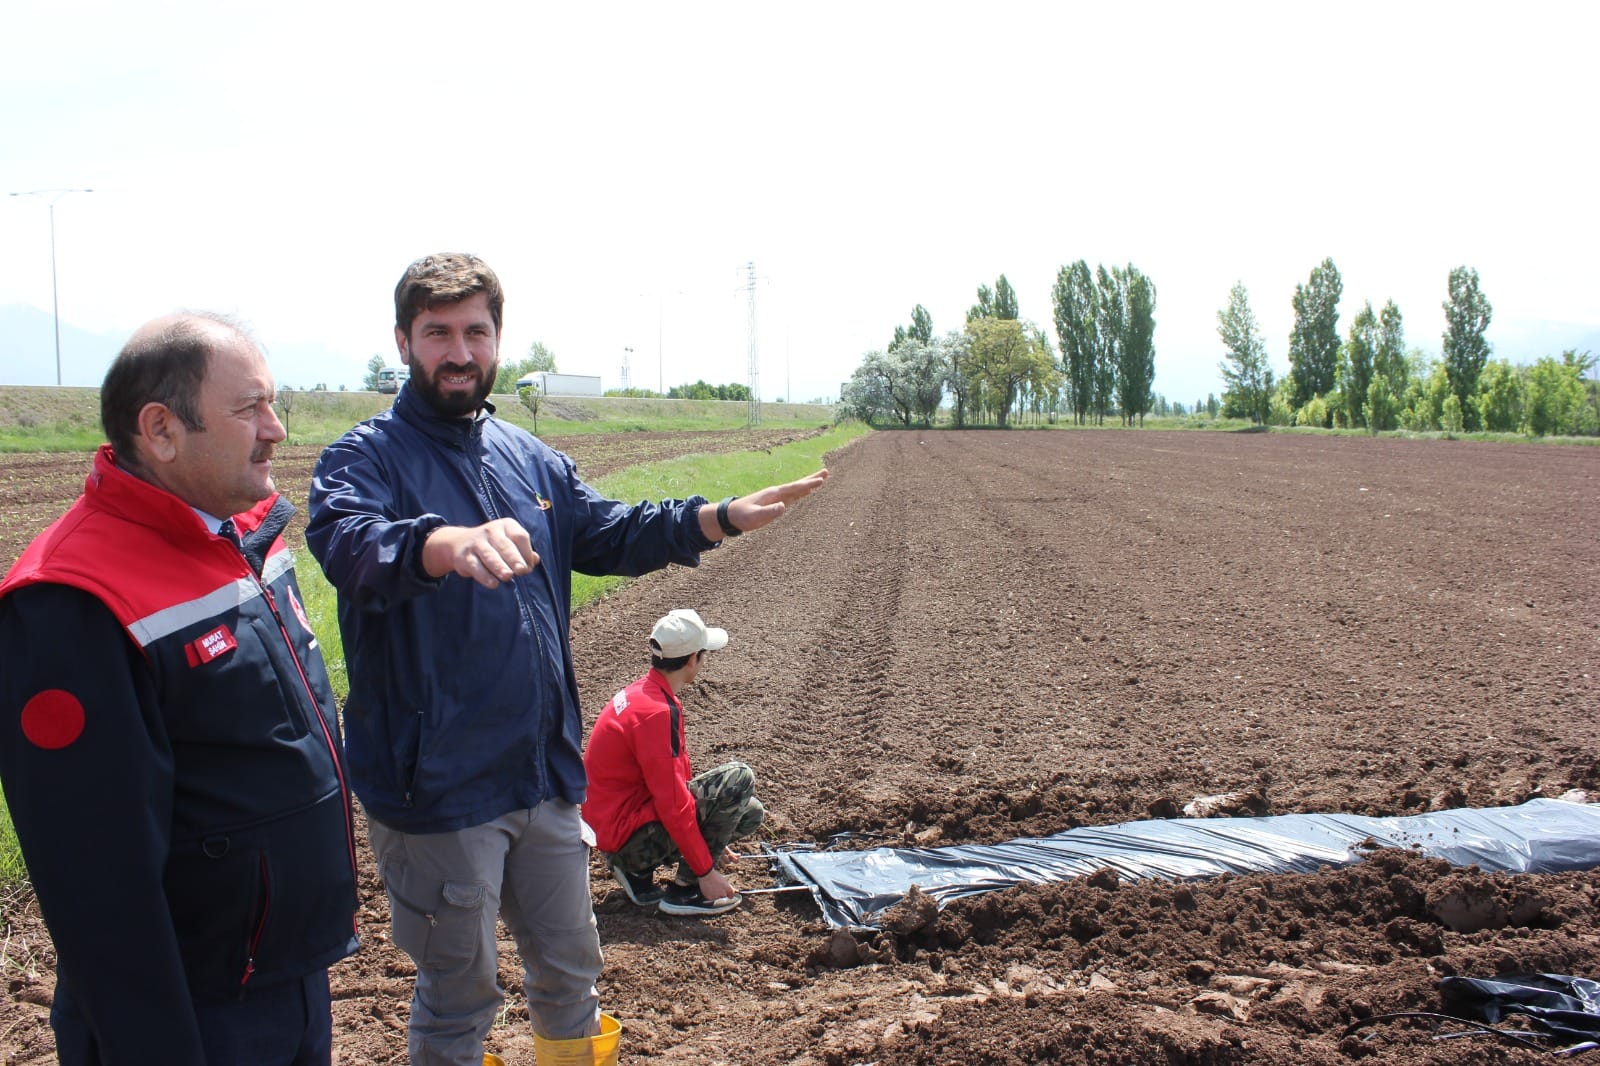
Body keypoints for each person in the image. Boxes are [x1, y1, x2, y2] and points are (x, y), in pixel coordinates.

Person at [305, 252, 827, 1066]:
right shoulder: (365, 458)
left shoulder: (529, 457)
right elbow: (347, 542)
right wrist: (441, 544)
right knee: (459, 994)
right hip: (438, 787)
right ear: (404, 341)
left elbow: (607, 531)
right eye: (437, 332)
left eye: (475, 331)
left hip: (542, 778)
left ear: (498, 339)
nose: (459, 351)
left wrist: (712, 518)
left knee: (571, 975)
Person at [0, 313, 360, 1066]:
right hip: (195, 1016)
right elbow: (98, 885)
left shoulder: (244, 534)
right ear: (160, 430)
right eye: (250, 408)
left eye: (274, 402)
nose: (278, 429)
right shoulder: (73, 600)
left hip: (287, 981)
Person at [583, 609, 767, 917]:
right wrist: (704, 869)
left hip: (617, 827)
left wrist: (713, 839)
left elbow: (675, 777)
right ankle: (686, 891)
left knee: (748, 812)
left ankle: (638, 876)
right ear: (693, 658)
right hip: (625, 838)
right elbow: (672, 801)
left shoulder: (644, 693)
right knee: (739, 777)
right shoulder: (655, 712)